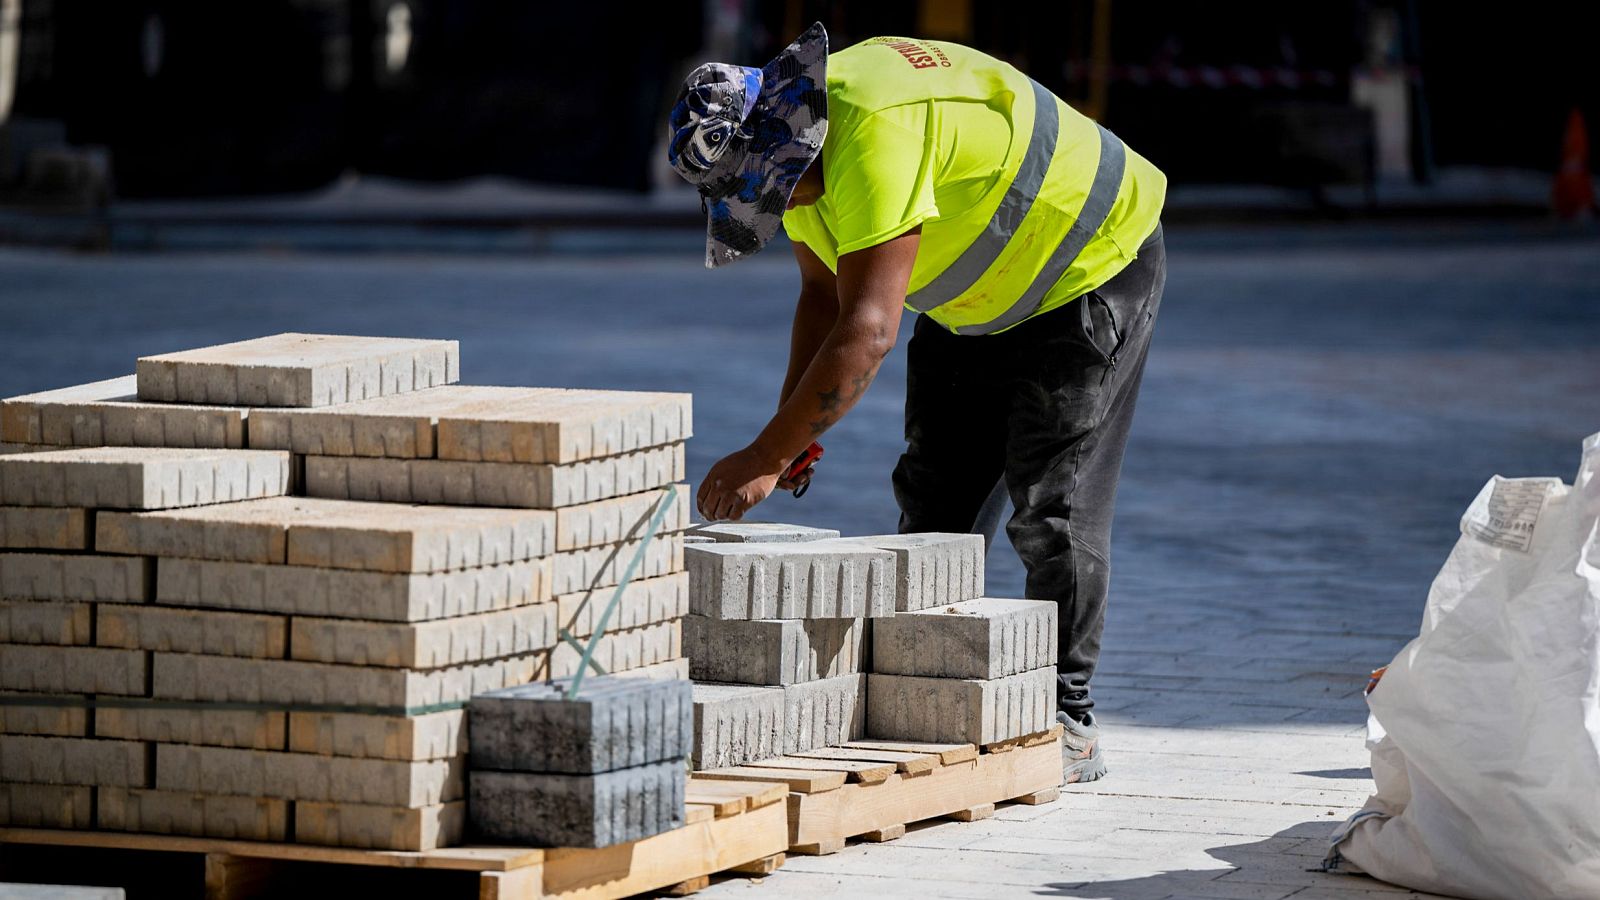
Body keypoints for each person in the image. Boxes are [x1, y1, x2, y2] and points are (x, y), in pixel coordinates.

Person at [667, 23, 1166, 783]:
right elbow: (821, 296)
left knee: (1052, 509)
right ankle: (932, 692)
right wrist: (790, 433)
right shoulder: (795, 142)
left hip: (1086, 263)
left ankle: (1069, 716)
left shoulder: (870, 126)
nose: (779, 205)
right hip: (979, 289)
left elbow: (868, 332)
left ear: (790, 144)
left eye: (773, 189)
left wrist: (764, 457)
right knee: (934, 501)